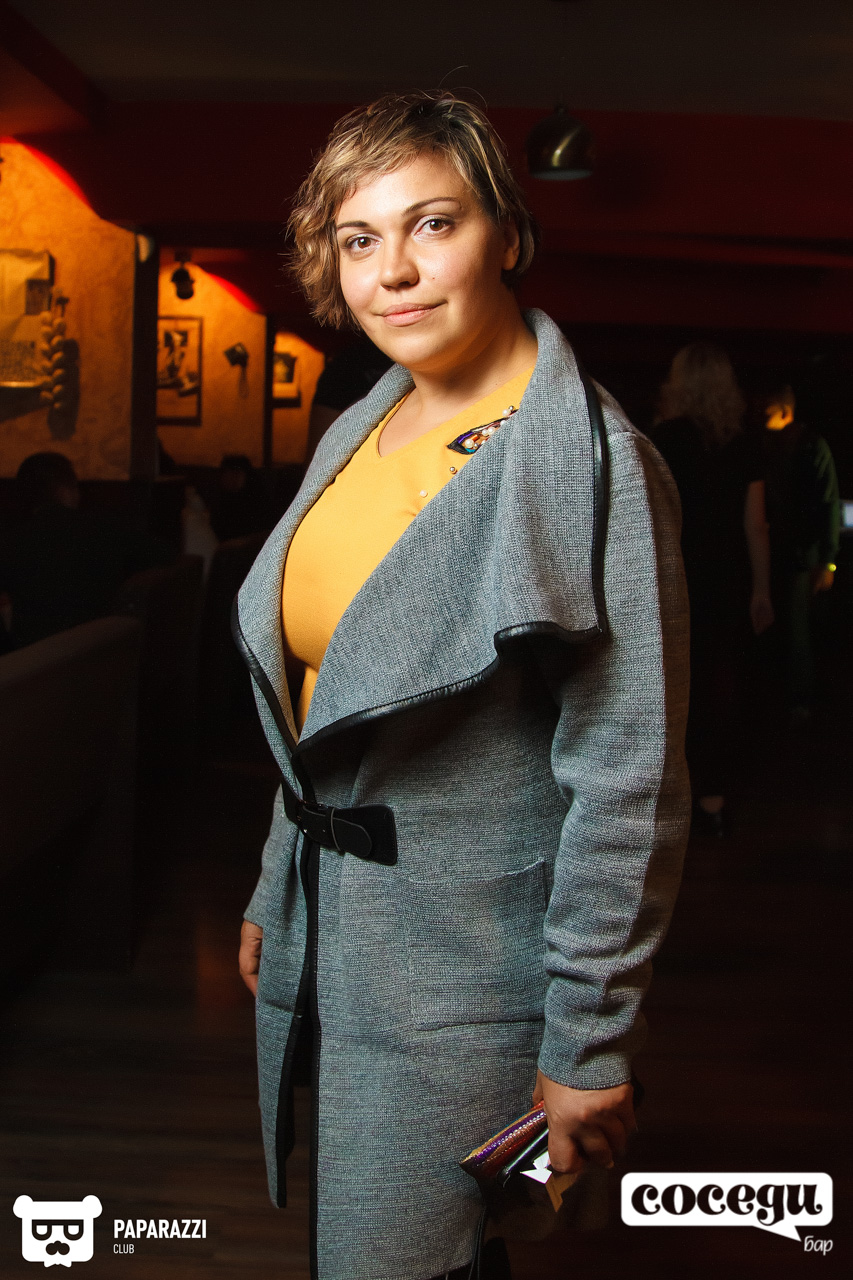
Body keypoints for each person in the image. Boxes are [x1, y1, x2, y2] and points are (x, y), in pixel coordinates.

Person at [233, 92, 690, 1280]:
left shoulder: (596, 463)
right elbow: (323, 698)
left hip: (470, 975)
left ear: (506, 233)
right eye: (359, 237)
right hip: (337, 929)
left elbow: (628, 778)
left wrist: (589, 1038)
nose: (393, 270)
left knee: (403, 1253)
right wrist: (279, 883)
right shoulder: (359, 424)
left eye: (431, 223)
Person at [651, 344, 774, 836]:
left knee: (673, 690)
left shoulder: (662, 440)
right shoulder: (743, 444)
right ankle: (714, 801)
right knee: (722, 690)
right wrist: (761, 590)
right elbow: (755, 525)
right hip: (726, 579)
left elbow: (649, 520)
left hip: (675, 578)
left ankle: (673, 802)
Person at [0, 451, 171, 649]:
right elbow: (164, 554)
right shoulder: (104, 529)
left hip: (35, 657)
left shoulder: (14, 540)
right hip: (102, 648)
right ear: (67, 489)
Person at [763, 384, 840, 722]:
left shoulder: (809, 445)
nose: (760, 417)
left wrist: (828, 560)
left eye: (767, 411)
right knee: (784, 625)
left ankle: (798, 698)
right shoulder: (771, 445)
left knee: (796, 627)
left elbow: (828, 503)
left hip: (798, 552)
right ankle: (784, 697)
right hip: (783, 549)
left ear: (783, 410)